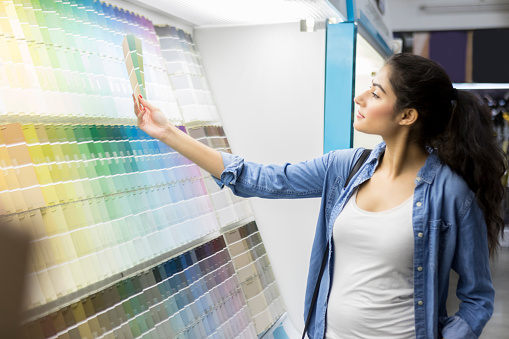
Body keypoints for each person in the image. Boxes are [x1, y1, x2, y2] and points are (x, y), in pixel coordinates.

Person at [133, 53, 506, 339]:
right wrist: (168, 133)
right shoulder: (344, 169)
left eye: (376, 92)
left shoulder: (450, 195)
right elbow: (257, 179)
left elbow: (477, 298)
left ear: (406, 116)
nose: (360, 97)